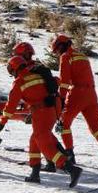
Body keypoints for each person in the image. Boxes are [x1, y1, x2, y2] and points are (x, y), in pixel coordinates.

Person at [0, 56, 83, 187]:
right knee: (35, 140)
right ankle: (35, 173)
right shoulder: (37, 74)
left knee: (43, 142)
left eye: (10, 70)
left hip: (42, 112)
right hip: (54, 107)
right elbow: (56, 82)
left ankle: (70, 168)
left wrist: (2, 123)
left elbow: (10, 106)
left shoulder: (20, 82)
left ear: (14, 69)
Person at [50, 34, 98, 168]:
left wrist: (62, 99)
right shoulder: (82, 56)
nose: (57, 54)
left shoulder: (66, 57)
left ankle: (69, 155)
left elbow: (64, 82)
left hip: (77, 93)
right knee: (95, 127)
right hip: (91, 94)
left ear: (61, 46)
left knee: (64, 124)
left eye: (57, 51)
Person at [12, 41, 66, 173]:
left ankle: (63, 161)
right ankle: (56, 161)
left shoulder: (32, 68)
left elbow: (37, 90)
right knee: (43, 134)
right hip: (50, 105)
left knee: (41, 135)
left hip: (47, 106)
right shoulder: (36, 67)